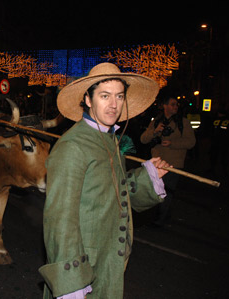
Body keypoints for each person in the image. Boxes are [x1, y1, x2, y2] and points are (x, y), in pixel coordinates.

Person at [39, 62, 170, 299]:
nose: (114, 104)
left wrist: (148, 176)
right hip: (84, 268)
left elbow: (113, 190)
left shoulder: (109, 139)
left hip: (107, 260)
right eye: (105, 96)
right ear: (88, 100)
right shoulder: (72, 147)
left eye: (119, 96)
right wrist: (72, 281)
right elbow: (60, 219)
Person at [140, 96, 195, 226]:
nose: (175, 107)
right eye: (172, 104)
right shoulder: (157, 121)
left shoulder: (183, 122)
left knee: (166, 192)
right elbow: (143, 139)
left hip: (173, 164)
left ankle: (159, 219)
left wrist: (172, 143)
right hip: (156, 163)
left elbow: (191, 142)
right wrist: (155, 131)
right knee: (154, 191)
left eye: (176, 105)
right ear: (164, 106)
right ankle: (161, 215)